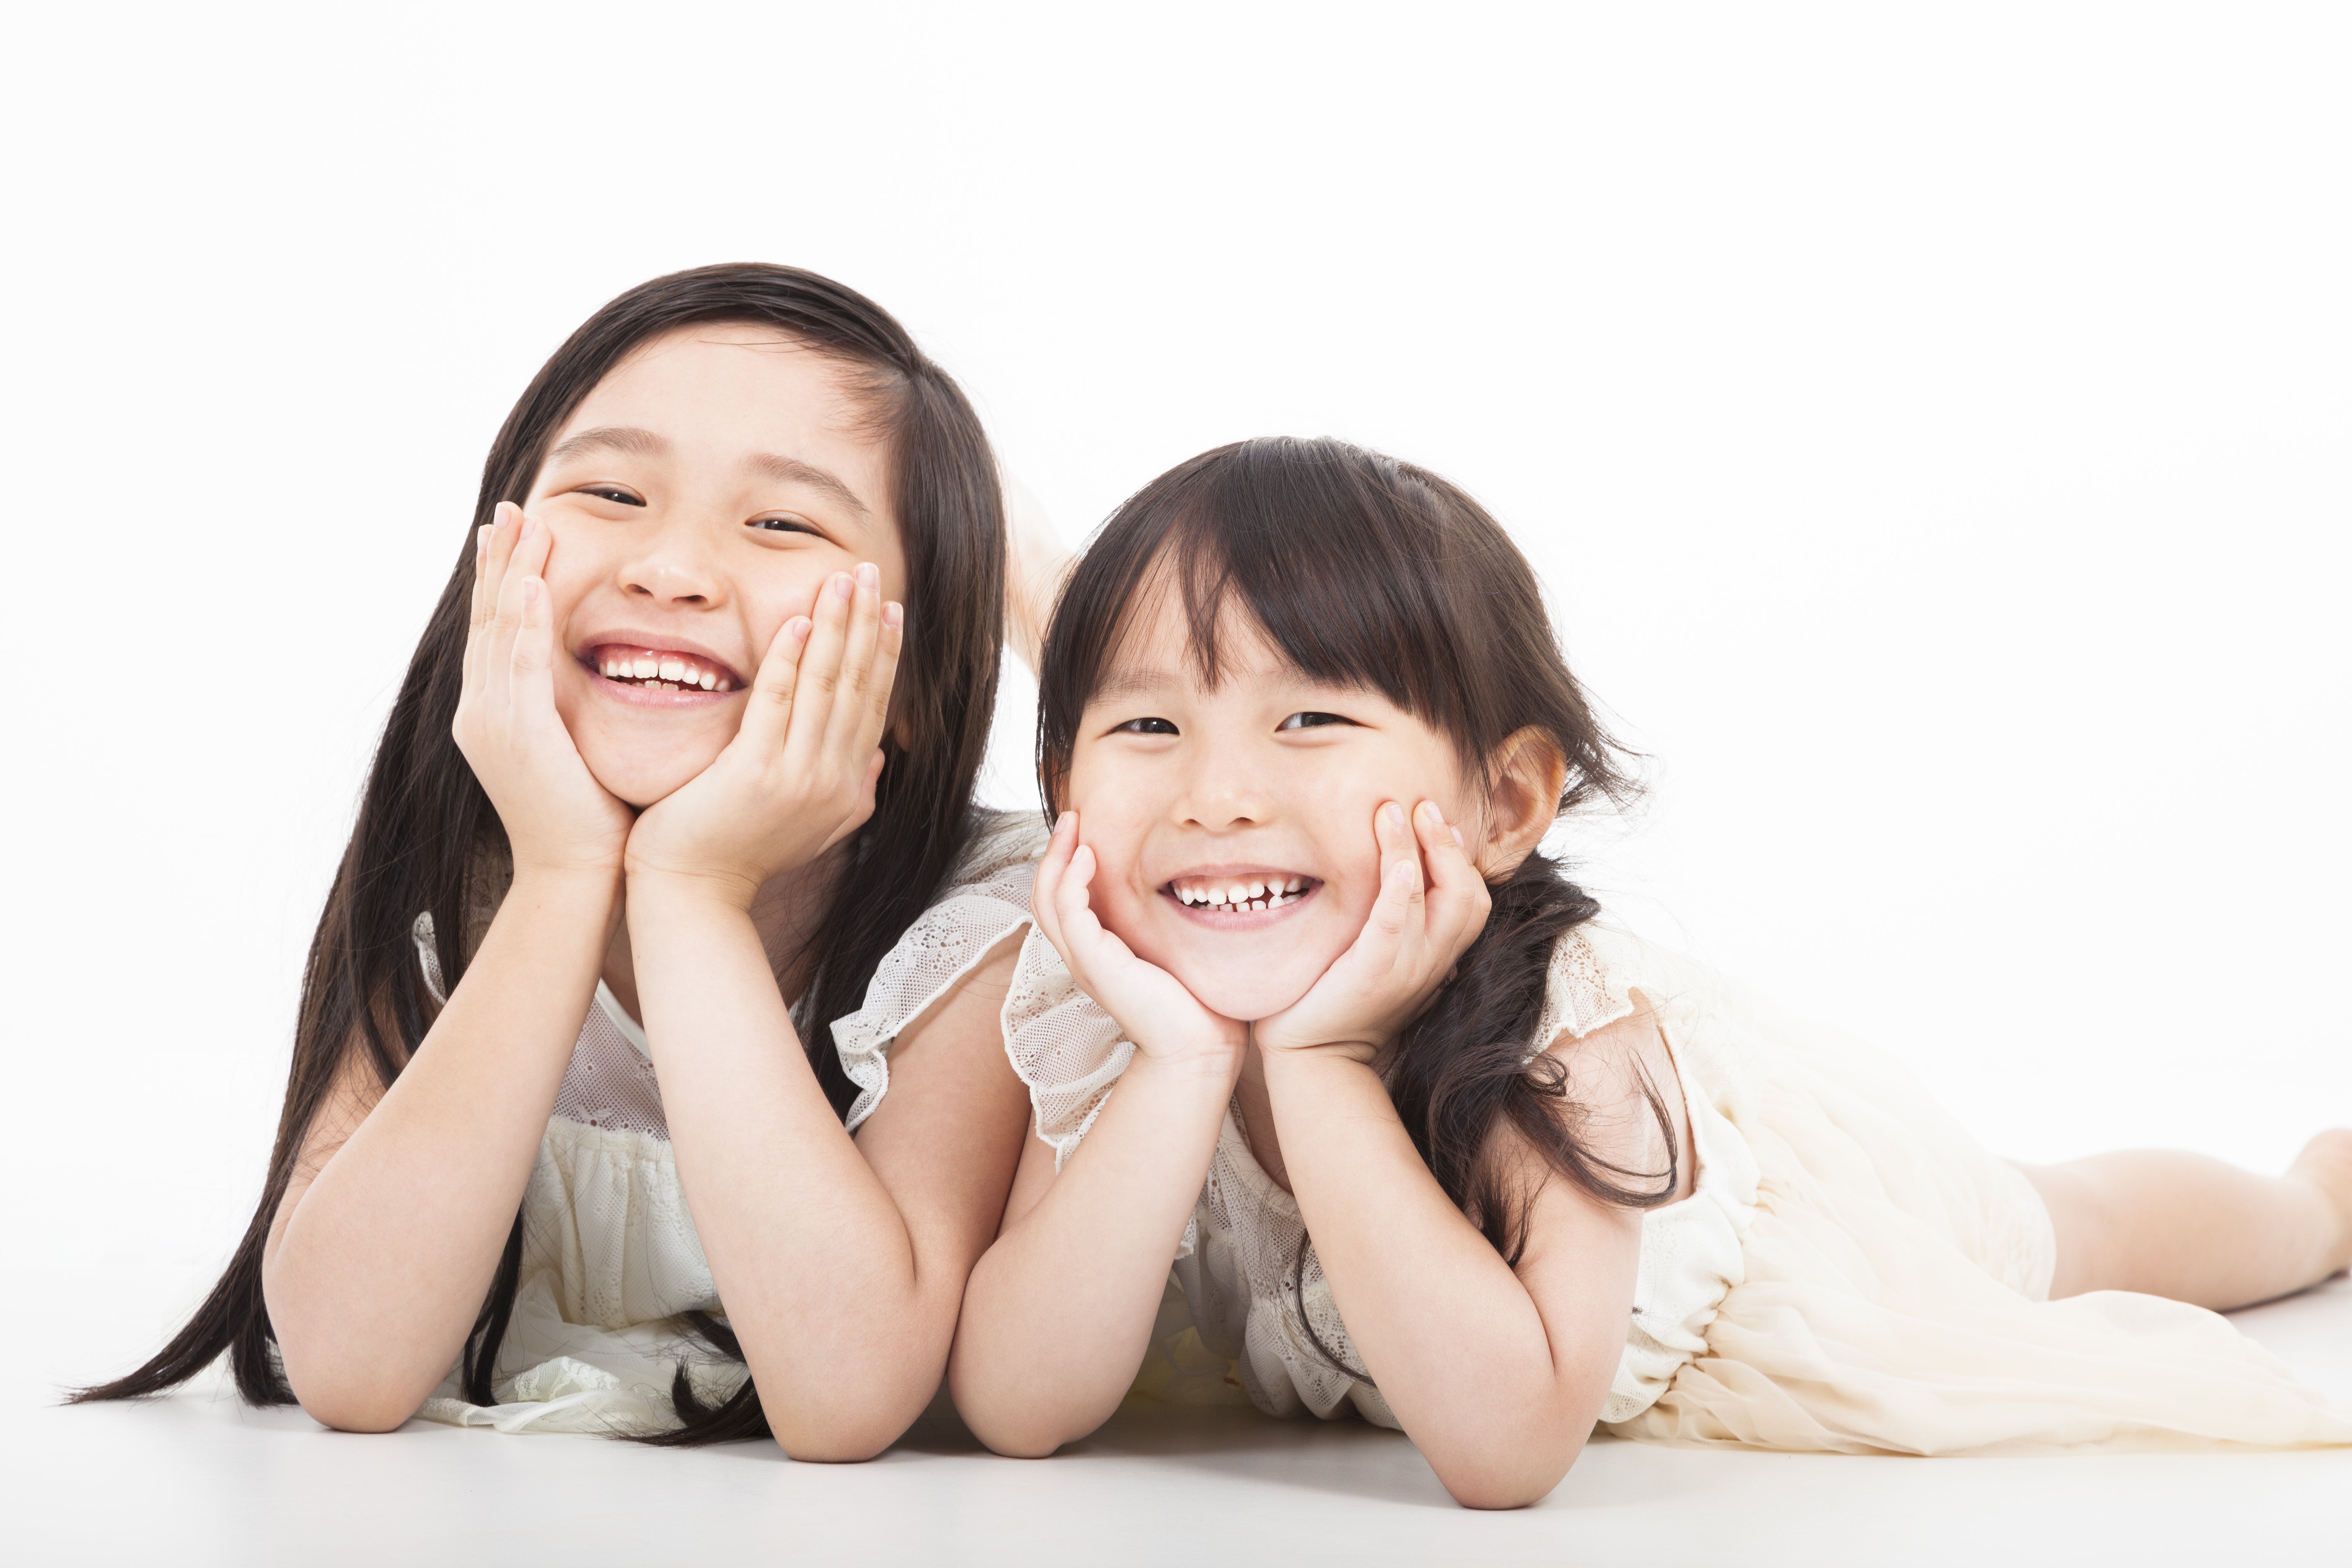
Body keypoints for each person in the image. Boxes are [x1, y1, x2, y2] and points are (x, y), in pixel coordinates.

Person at [939, 435, 2352, 1507]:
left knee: (2059, 1224)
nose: (1217, 798)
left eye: (1310, 719)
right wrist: (1186, 1064)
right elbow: (1018, 1401)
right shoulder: (1115, 1024)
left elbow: (1505, 1450)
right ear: (1062, 792)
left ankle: (2314, 1204)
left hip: (1791, 1248)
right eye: (1145, 730)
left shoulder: (1566, 1031)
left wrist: (1318, 1063)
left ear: (1505, 805)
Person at [77, 263, 1045, 1456]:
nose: (668, 569)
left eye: (783, 522)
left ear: (918, 668)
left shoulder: (977, 924)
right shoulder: (462, 880)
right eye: (610, 492)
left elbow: (844, 1396)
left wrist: (692, 893)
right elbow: (347, 1365)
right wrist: (562, 876)